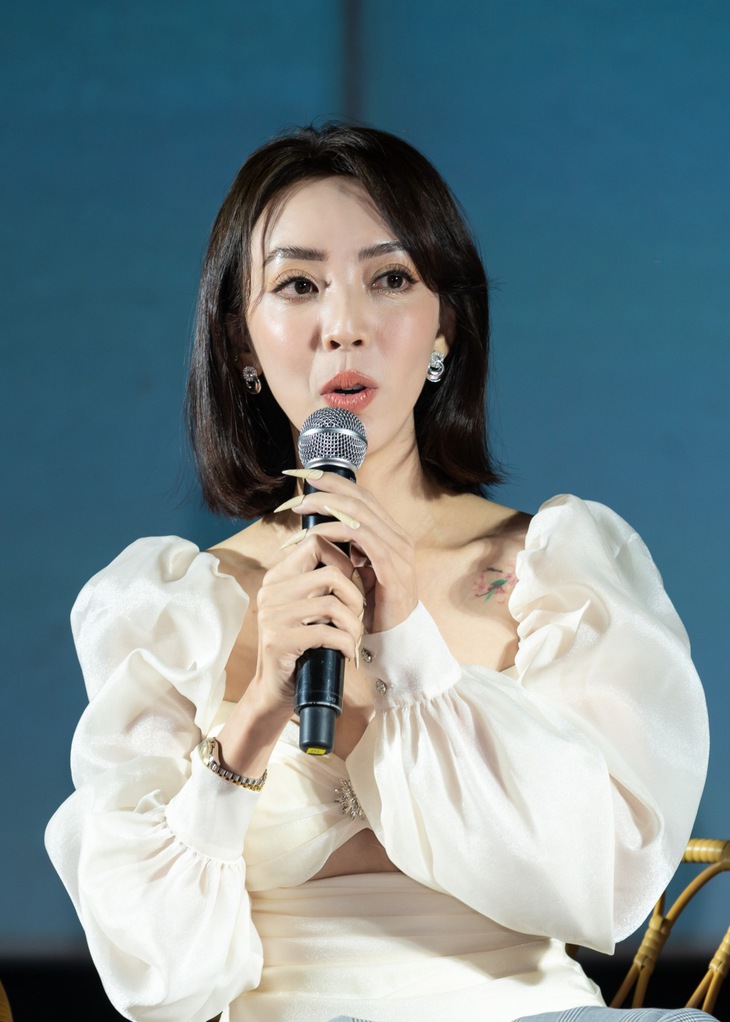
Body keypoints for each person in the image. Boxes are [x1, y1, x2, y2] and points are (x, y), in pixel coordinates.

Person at [46, 124, 712, 1022]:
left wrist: (406, 648)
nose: (345, 326)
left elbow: (608, 886)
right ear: (241, 343)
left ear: (445, 327)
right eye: (298, 285)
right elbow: (163, 982)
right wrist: (256, 716)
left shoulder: (551, 572)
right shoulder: (175, 612)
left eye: (390, 278)